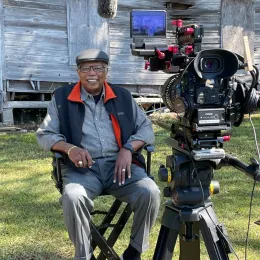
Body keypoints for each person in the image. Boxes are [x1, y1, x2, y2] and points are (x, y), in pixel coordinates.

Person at [36, 49, 161, 260]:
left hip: (121, 168)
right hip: (82, 170)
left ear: (106, 71)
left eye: (98, 68)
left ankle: (134, 251)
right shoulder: (61, 98)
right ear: (78, 72)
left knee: (150, 192)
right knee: (73, 196)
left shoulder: (122, 96)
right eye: (86, 68)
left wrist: (128, 149)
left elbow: (146, 129)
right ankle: (85, 256)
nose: (92, 73)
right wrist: (70, 149)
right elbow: (45, 134)